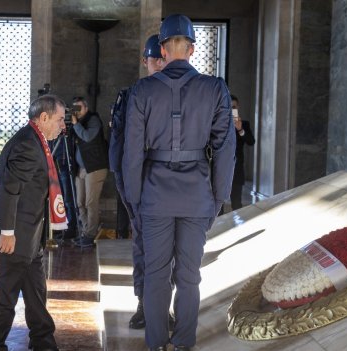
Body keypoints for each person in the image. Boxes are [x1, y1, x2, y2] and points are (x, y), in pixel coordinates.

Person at [122, 14, 236, 351]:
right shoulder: (215, 88)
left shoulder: (143, 89)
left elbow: (132, 152)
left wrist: (134, 198)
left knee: (156, 275)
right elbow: (226, 149)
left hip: (154, 195)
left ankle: (156, 342)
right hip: (197, 195)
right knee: (189, 276)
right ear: (192, 48)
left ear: (162, 48)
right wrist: (218, 197)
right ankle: (184, 342)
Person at [0, 94, 66, 351]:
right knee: (6, 299)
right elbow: (10, 189)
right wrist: (7, 232)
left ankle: (44, 343)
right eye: (60, 120)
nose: (63, 126)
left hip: (30, 237)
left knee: (36, 295)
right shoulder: (29, 144)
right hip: (15, 238)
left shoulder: (35, 140)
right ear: (44, 117)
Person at [109, 34, 167, 330]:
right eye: (153, 58)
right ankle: (145, 305)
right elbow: (119, 149)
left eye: (162, 57)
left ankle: (162, 307)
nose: (158, 63)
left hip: (172, 186)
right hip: (142, 186)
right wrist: (129, 191)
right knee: (145, 245)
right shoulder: (131, 95)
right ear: (145, 62)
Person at [69, 97, 109, 248]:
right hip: (81, 168)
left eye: (79, 108)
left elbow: (87, 136)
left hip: (95, 167)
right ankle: (86, 231)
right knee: (80, 202)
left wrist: (75, 123)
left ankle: (91, 235)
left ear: (86, 108)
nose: (77, 112)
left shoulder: (93, 120)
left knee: (90, 203)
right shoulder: (77, 123)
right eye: (74, 109)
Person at [230, 95, 255, 210]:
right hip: (219, 170)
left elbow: (251, 141)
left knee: (236, 203)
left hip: (237, 169)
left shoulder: (244, 124)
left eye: (233, 107)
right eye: (229, 107)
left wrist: (240, 130)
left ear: (238, 107)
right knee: (217, 205)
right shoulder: (217, 124)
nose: (231, 110)